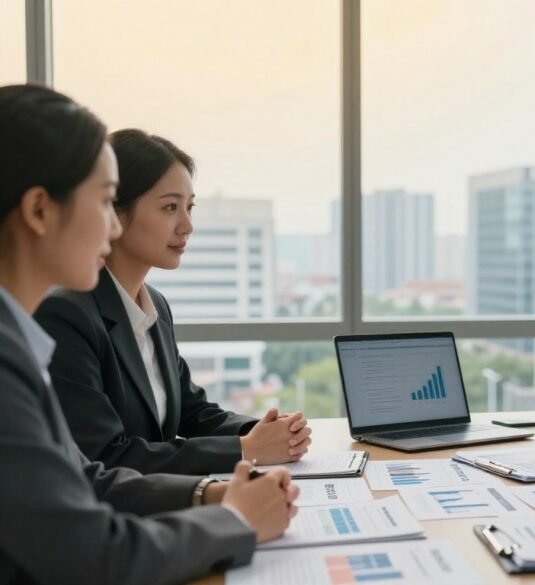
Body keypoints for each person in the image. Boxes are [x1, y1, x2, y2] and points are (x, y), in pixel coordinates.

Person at [0, 84, 298, 584]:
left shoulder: (19, 342)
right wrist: (235, 520)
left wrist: (210, 493)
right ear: (39, 211)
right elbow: (96, 555)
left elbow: (85, 477)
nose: (112, 228)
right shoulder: (21, 350)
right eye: (104, 202)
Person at [34, 129, 312, 475]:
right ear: (115, 212)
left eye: (189, 207)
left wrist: (262, 430)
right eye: (170, 207)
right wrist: (245, 450)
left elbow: (191, 411)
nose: (187, 225)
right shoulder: (67, 314)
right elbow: (105, 457)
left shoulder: (156, 307)